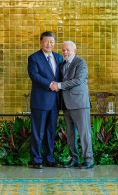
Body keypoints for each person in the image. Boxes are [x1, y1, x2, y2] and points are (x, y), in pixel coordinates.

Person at [50, 41, 94, 169]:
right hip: (66, 104)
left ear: (75, 50)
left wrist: (58, 85)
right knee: (70, 134)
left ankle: (89, 160)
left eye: (68, 50)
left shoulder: (81, 63)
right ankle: (74, 159)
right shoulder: (63, 64)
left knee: (84, 133)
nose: (65, 52)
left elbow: (78, 80)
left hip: (79, 104)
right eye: (63, 50)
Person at [27, 31, 63, 168]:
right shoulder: (34, 58)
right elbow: (34, 76)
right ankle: (36, 160)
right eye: (47, 42)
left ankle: (50, 158)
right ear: (41, 42)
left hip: (55, 101)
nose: (50, 44)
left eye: (52, 42)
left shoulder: (59, 57)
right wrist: (50, 84)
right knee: (38, 131)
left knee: (50, 131)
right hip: (40, 101)